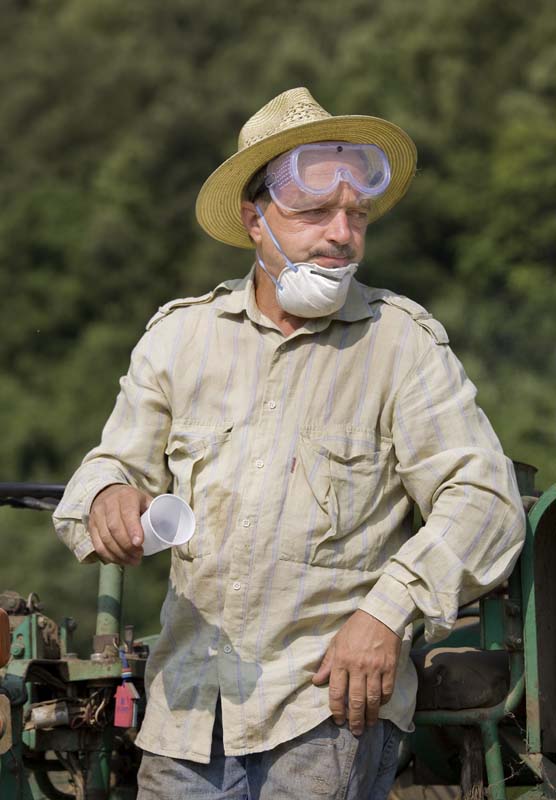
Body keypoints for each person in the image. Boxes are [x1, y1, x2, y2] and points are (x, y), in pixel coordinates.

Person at [54, 87, 525, 799]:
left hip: (327, 715)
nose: (342, 235)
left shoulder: (402, 344)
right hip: (185, 716)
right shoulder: (180, 338)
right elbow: (106, 471)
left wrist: (383, 613)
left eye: (356, 215)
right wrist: (111, 497)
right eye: (313, 213)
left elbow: (486, 503)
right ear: (254, 220)